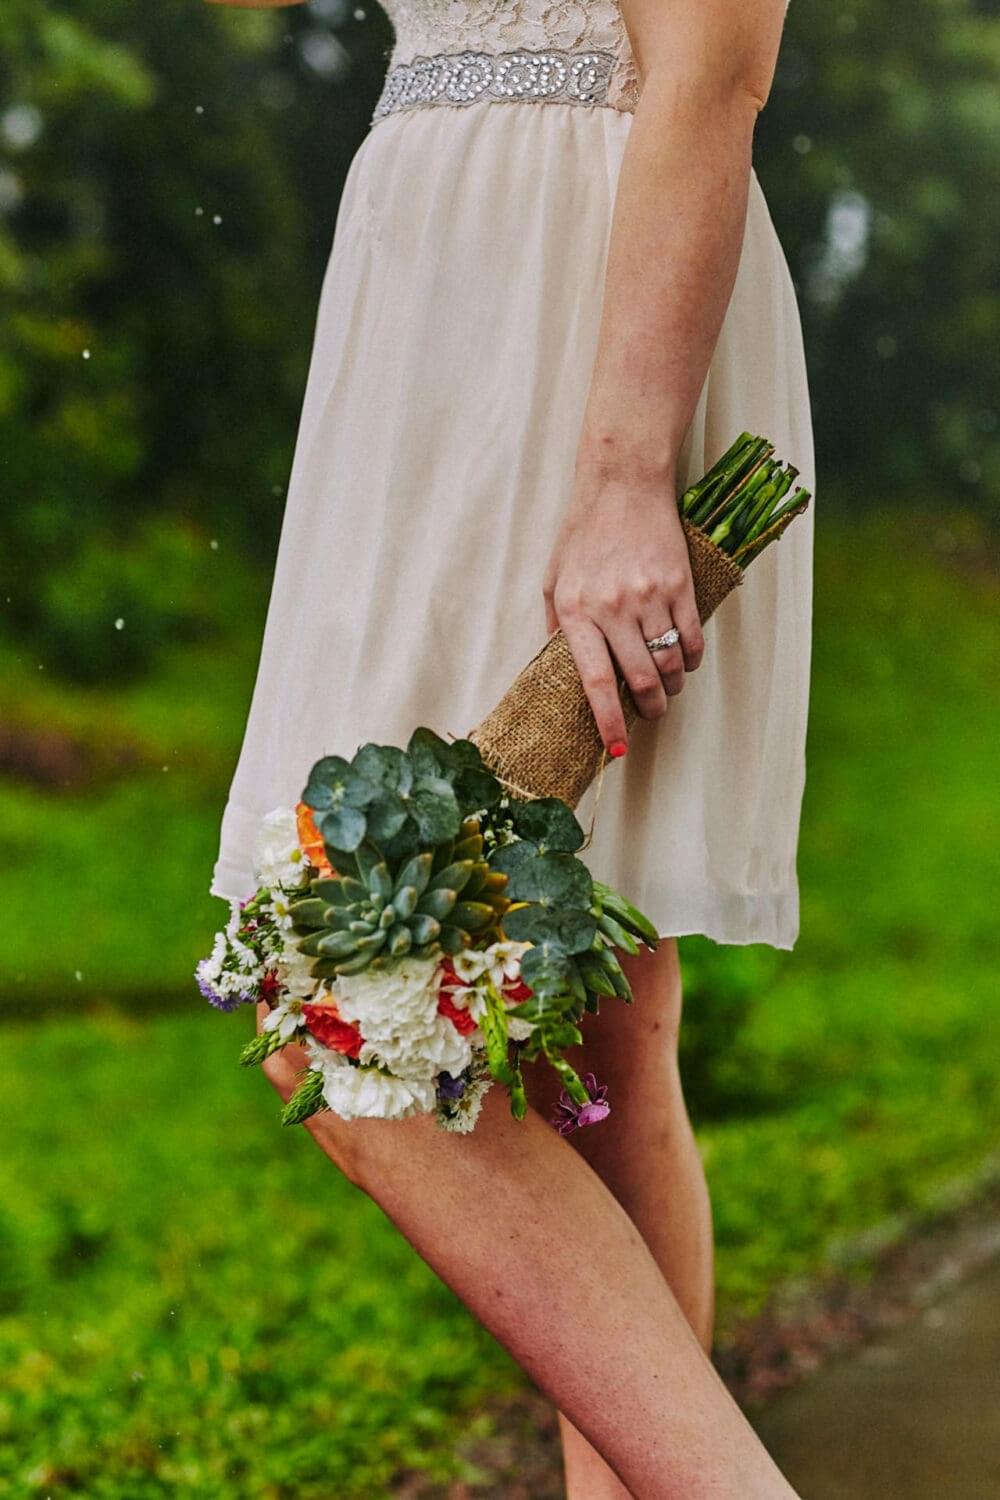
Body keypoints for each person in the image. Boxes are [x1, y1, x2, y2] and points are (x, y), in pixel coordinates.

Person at [209, 0, 814, 1492]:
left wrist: (621, 475)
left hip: (576, 323)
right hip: (431, 321)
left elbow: (717, 71)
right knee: (588, 1019)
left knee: (342, 992)